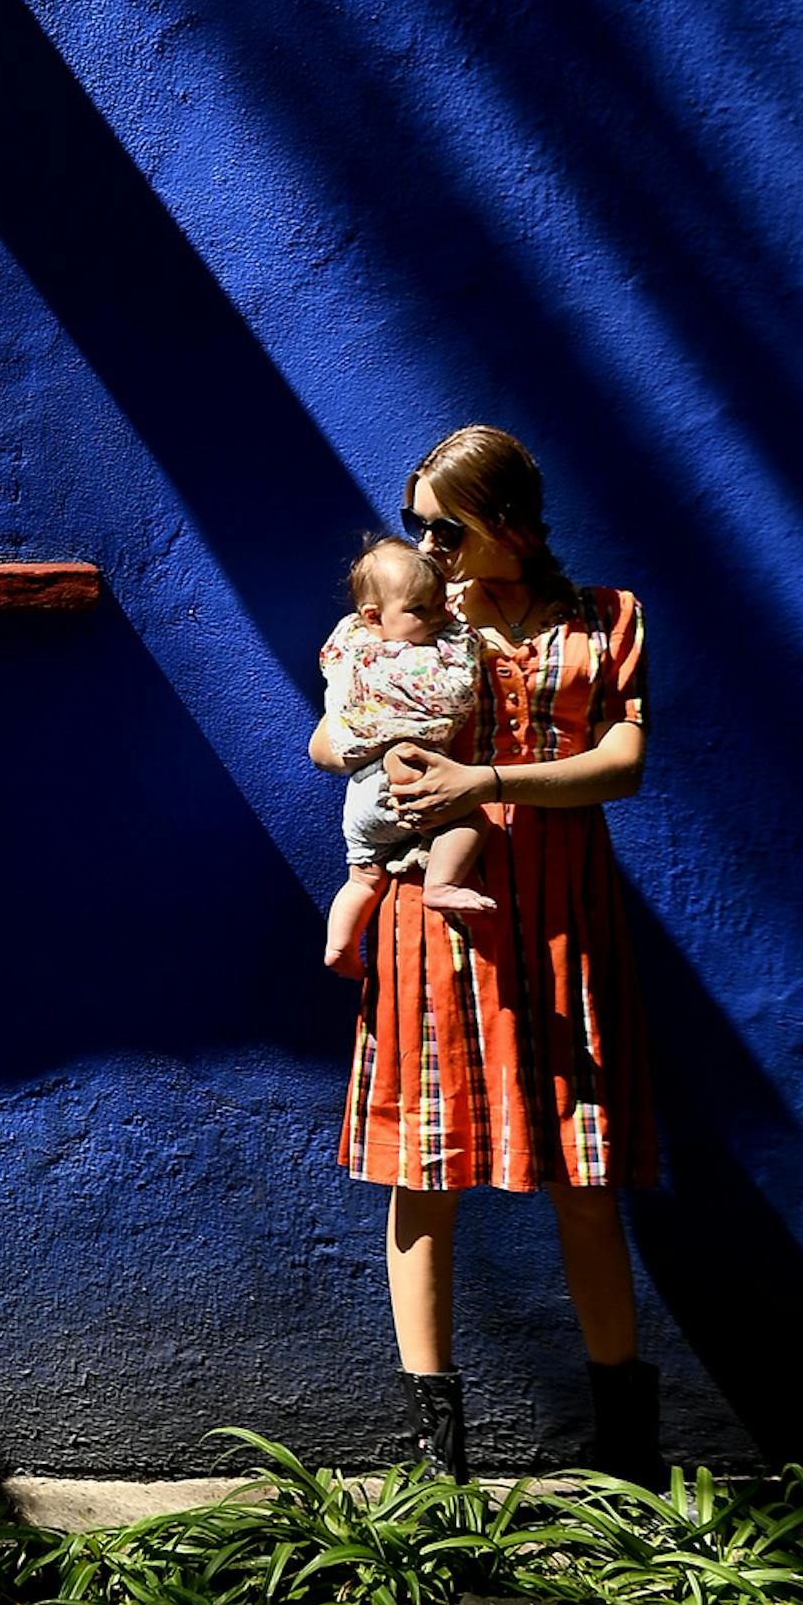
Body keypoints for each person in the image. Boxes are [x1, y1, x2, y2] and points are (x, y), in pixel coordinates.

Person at [308, 424, 662, 1487]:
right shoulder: (406, 612)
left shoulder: (606, 619)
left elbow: (625, 758)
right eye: (418, 526)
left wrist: (487, 784)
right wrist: (369, 739)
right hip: (432, 915)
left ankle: (628, 1461)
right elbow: (325, 740)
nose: (429, 545)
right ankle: (437, 1464)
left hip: (563, 919)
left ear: (506, 522)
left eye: (445, 527)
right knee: (424, 1170)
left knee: (585, 1175)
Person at [320, 536, 495, 978]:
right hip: (402, 778)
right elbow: (455, 693)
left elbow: (334, 709)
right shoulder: (421, 662)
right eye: (421, 609)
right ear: (374, 617)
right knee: (471, 822)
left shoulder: (349, 645)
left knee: (362, 878)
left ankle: (339, 946)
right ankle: (442, 883)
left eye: (440, 605)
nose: (438, 618)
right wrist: (462, 635)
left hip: (359, 797)